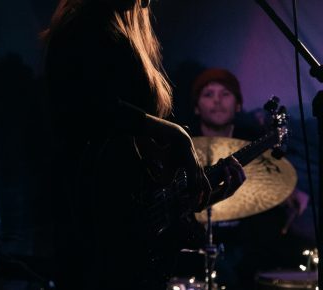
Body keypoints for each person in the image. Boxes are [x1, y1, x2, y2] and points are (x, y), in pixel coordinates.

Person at [40, 2, 246, 290]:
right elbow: (96, 109)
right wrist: (178, 135)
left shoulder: (123, 36)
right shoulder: (82, 31)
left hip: (133, 251)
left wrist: (200, 196)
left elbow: (144, 196)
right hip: (96, 240)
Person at [186, 67, 310, 289]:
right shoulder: (183, 149)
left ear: (238, 104)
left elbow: (272, 180)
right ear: (196, 107)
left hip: (245, 246)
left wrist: (287, 191)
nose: (217, 101)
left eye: (225, 94)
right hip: (196, 246)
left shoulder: (255, 145)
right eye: (208, 94)